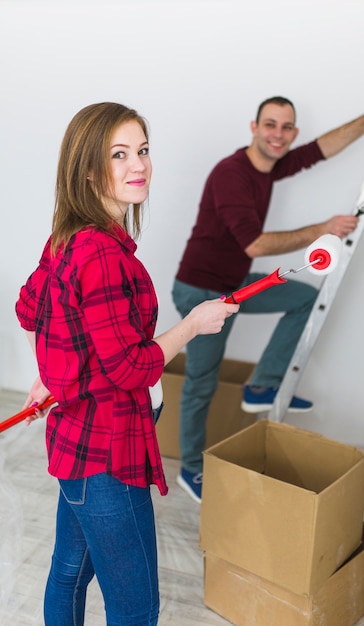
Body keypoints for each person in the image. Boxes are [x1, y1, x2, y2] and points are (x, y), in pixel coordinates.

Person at [15, 102, 239, 626]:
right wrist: (194, 324)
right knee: (136, 606)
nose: (138, 165)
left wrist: (49, 375)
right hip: (108, 452)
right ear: (89, 169)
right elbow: (131, 370)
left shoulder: (66, 238)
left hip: (78, 446)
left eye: (141, 150)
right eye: (120, 155)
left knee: (68, 574)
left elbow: (30, 311)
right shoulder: (102, 255)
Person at [172, 92, 364, 503]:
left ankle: (261, 386)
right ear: (254, 128)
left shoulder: (271, 165)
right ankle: (191, 468)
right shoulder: (232, 173)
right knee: (201, 382)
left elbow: (321, 150)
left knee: (302, 298)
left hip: (235, 284)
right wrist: (324, 228)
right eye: (271, 125)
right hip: (202, 291)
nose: (278, 135)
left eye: (287, 127)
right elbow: (255, 245)